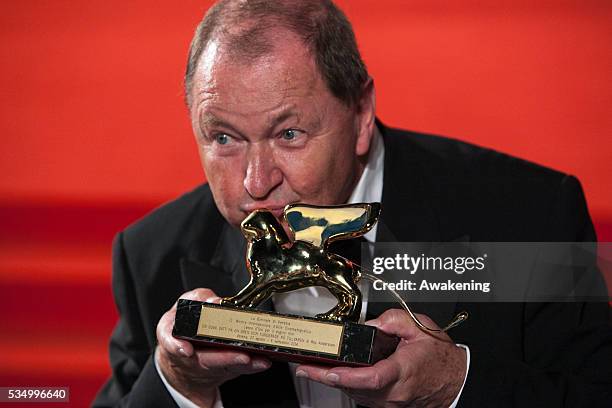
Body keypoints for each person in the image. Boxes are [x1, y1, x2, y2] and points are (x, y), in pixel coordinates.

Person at [93, 0, 612, 407]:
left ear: (361, 114)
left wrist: (457, 386)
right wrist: (181, 384)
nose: (256, 182)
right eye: (224, 138)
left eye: (289, 133)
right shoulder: (151, 256)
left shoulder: (527, 217)